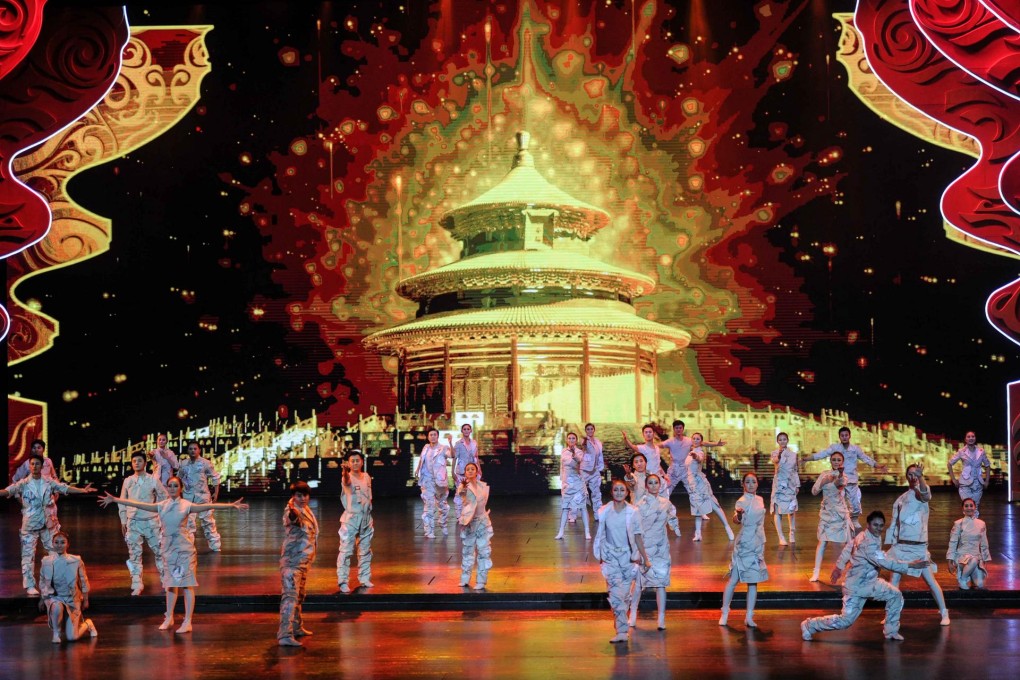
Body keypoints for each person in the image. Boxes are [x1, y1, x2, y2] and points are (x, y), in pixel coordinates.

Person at [97, 477, 248, 633]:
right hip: (168, 550)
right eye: (170, 486)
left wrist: (231, 505)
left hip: (184, 550)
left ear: (180, 488)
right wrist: (115, 500)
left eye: (176, 485)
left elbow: (208, 506)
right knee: (170, 584)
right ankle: (169, 617)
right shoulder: (162, 505)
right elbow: (138, 504)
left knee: (186, 584)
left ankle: (187, 621)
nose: (172, 488)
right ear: (167, 488)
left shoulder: (186, 505)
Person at [801, 510, 929, 641]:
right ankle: (809, 625)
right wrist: (910, 565)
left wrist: (838, 567)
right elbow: (884, 563)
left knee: (895, 596)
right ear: (868, 524)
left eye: (881, 525)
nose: (878, 528)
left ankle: (891, 631)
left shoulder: (867, 535)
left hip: (870, 583)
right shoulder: (867, 542)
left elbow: (848, 549)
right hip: (855, 587)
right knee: (845, 621)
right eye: (875, 525)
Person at [1, 454, 95, 595]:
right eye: (32, 464)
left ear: (42, 465)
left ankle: (54, 583)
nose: (34, 466)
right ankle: (29, 585)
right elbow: (8, 491)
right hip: (30, 524)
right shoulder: (24, 483)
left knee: (56, 553)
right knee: (28, 556)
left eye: (37, 464)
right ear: (29, 466)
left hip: (48, 523)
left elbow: (64, 488)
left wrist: (82, 490)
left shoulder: (48, 481)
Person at [885, 463, 950, 626]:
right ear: (906, 477)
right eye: (911, 474)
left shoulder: (920, 495)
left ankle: (944, 613)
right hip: (900, 548)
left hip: (918, 548)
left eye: (916, 474)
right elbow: (894, 523)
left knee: (930, 581)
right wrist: (891, 545)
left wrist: (921, 477)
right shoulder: (900, 499)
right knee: (893, 583)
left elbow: (925, 495)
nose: (913, 477)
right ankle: (890, 615)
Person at [593, 479, 651, 644]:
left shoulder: (633, 512)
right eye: (616, 490)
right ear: (612, 492)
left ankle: (622, 629)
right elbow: (601, 534)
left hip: (627, 559)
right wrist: (601, 555)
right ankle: (621, 631)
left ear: (627, 493)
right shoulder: (603, 511)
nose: (619, 492)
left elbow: (638, 536)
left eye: (622, 490)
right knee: (616, 596)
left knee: (624, 597)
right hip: (611, 558)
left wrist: (645, 558)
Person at [805, 427, 887, 529]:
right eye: (842, 435)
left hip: (852, 481)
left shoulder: (855, 449)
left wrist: (878, 466)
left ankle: (854, 519)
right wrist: (807, 459)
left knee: (855, 504)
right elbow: (822, 454)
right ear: (839, 437)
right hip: (838, 481)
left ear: (849, 436)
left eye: (846, 435)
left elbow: (866, 459)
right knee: (838, 503)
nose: (844, 437)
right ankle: (839, 522)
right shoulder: (835, 448)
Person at [628, 473, 681, 630]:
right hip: (645, 547)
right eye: (650, 483)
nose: (653, 486)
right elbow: (634, 529)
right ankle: (632, 615)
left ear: (660, 485)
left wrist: (676, 528)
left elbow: (672, 519)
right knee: (638, 584)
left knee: (661, 584)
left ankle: (661, 618)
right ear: (646, 486)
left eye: (656, 483)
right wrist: (636, 551)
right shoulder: (640, 504)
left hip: (661, 548)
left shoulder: (666, 503)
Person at [719, 472, 768, 627]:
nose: (751, 484)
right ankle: (725, 612)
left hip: (757, 542)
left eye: (753, 481)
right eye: (748, 482)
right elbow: (736, 519)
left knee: (753, 582)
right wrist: (738, 516)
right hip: (745, 543)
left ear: (757, 484)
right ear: (743, 485)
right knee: (734, 580)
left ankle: (749, 616)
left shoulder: (760, 499)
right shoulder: (741, 501)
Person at [118, 450, 168, 595]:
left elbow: (163, 497)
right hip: (133, 522)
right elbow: (122, 502)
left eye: (139, 461)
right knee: (134, 554)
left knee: (159, 551)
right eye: (134, 461)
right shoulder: (128, 481)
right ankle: (136, 582)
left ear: (145, 463)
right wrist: (123, 520)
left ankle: (166, 580)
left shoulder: (153, 480)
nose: (136, 463)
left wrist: (159, 514)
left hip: (151, 521)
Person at [278, 481, 318, 647]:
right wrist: (291, 505)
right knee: (290, 597)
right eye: (299, 495)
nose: (303, 498)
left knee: (299, 596)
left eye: (305, 495)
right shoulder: (291, 511)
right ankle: (284, 635)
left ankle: (296, 627)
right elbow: (293, 518)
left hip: (303, 561)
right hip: (292, 562)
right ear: (293, 497)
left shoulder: (306, 509)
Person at [38, 532, 97, 644]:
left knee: (72, 638)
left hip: (72, 600)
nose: (59, 545)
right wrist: (42, 597)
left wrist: (86, 599)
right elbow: (42, 581)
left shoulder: (76, 561)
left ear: (68, 544)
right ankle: (56, 633)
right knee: (56, 606)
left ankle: (88, 624)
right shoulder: (46, 561)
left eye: (62, 542)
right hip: (55, 597)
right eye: (56, 542)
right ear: (52, 544)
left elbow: (84, 581)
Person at [809, 451, 854, 582]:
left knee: (849, 545)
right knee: (822, 542)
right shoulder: (824, 474)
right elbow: (814, 491)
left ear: (842, 462)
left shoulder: (844, 476)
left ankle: (852, 572)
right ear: (830, 461)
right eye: (834, 459)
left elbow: (840, 484)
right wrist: (823, 481)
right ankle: (816, 572)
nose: (836, 462)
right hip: (826, 513)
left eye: (839, 460)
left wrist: (839, 474)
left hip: (840, 513)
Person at [686, 434, 735, 542]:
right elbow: (706, 443)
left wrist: (695, 455)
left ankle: (727, 527)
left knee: (714, 505)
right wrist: (716, 444)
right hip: (692, 484)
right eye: (694, 438)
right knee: (697, 509)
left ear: (701, 441)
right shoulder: (691, 449)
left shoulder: (699, 452)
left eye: (698, 439)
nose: (695, 440)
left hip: (700, 483)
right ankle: (698, 534)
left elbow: (699, 458)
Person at [337, 450, 373, 593]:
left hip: (366, 519)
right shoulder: (347, 477)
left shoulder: (366, 477)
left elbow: (369, 496)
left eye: (358, 460)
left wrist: (370, 517)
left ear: (362, 462)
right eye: (352, 461)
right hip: (351, 519)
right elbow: (346, 480)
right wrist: (344, 472)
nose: (356, 463)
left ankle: (364, 578)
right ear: (348, 463)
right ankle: (343, 581)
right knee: (346, 551)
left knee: (365, 551)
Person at [661, 420, 726, 497]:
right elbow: (657, 445)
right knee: (666, 490)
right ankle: (661, 507)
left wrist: (716, 444)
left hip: (685, 469)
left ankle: (700, 506)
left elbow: (703, 443)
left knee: (693, 490)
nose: (678, 429)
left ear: (683, 429)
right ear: (674, 429)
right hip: (674, 469)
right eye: (676, 428)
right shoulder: (670, 441)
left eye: (680, 428)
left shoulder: (689, 440)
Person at [178, 441, 222, 551]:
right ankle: (188, 545)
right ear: (188, 451)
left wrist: (216, 493)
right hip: (188, 497)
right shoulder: (183, 464)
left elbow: (215, 477)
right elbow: (179, 478)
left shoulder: (205, 463)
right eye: (190, 449)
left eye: (195, 448)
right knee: (188, 523)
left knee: (208, 521)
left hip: (203, 496)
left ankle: (215, 545)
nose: (193, 451)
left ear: (199, 450)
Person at [457, 462, 493, 589]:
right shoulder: (463, 486)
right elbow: (462, 499)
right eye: (468, 469)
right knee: (468, 551)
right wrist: (464, 486)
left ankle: (481, 581)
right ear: (465, 472)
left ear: (477, 471)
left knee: (484, 551)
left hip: (483, 521)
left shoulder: (483, 486)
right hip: (470, 523)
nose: (470, 471)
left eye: (473, 469)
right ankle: (465, 579)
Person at [414, 428, 452, 539]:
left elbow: (452, 455)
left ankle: (443, 523)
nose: (433, 436)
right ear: (428, 436)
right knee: (428, 505)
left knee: (442, 505)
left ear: (438, 436)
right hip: (427, 480)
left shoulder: (443, 448)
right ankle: (429, 531)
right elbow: (422, 459)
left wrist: (450, 443)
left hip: (439, 481)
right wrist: (417, 469)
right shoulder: (425, 447)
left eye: (435, 434)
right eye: (431, 434)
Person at [947, 497, 991, 589]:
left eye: (971, 505)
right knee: (973, 560)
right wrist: (950, 561)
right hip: (962, 558)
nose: (969, 508)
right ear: (963, 508)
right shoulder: (958, 523)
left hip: (976, 557)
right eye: (966, 506)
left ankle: (969, 574)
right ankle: (962, 579)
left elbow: (984, 543)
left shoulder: (981, 523)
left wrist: (985, 559)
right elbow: (953, 542)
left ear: (975, 507)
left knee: (980, 585)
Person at [555, 432, 591, 540]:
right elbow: (562, 467)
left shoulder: (579, 452)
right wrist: (562, 481)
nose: (571, 440)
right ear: (566, 440)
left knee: (583, 507)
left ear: (576, 440)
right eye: (569, 438)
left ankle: (587, 532)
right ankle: (561, 531)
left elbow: (578, 463)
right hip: (567, 483)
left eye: (573, 438)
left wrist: (574, 453)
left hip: (577, 482)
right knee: (565, 508)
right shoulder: (563, 451)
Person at [948, 432, 991, 516]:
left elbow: (987, 465)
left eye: (973, 436)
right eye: (968, 436)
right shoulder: (961, 451)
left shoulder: (981, 451)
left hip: (978, 483)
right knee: (967, 506)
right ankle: (968, 527)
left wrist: (987, 481)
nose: (971, 438)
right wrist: (953, 479)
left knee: (975, 506)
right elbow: (949, 464)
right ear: (965, 439)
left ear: (975, 438)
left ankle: (974, 527)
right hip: (965, 483)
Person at [769, 432, 799, 546]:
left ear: (788, 440)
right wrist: (780, 455)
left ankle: (792, 532)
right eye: (780, 439)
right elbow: (775, 461)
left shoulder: (793, 454)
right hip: (778, 484)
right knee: (778, 510)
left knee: (791, 510)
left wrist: (797, 485)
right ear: (777, 441)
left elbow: (795, 470)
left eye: (784, 439)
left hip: (790, 483)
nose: (782, 441)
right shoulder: (774, 453)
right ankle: (781, 537)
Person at [449, 424, 481, 522]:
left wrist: (479, 469)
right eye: (464, 429)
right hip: (461, 472)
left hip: (472, 472)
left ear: (471, 430)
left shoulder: (474, 443)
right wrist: (452, 471)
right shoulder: (459, 443)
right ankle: (459, 516)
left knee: (472, 495)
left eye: (468, 429)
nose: (466, 431)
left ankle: (469, 515)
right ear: (462, 431)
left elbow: (476, 457)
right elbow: (454, 457)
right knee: (460, 494)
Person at [580, 423, 605, 516]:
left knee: (596, 493)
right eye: (588, 429)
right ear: (585, 431)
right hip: (585, 470)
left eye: (591, 429)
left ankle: (598, 514)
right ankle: (573, 515)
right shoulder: (584, 440)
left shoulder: (598, 442)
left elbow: (600, 455)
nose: (590, 431)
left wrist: (600, 467)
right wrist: (585, 441)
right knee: (580, 492)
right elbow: (583, 445)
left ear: (594, 430)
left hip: (595, 470)